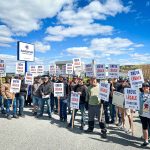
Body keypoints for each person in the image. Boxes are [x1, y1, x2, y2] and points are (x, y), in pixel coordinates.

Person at [139, 82, 150, 147]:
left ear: (149, 87)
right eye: (144, 86)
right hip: (142, 114)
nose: (145, 87)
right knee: (144, 127)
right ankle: (146, 141)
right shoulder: (140, 94)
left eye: (147, 86)